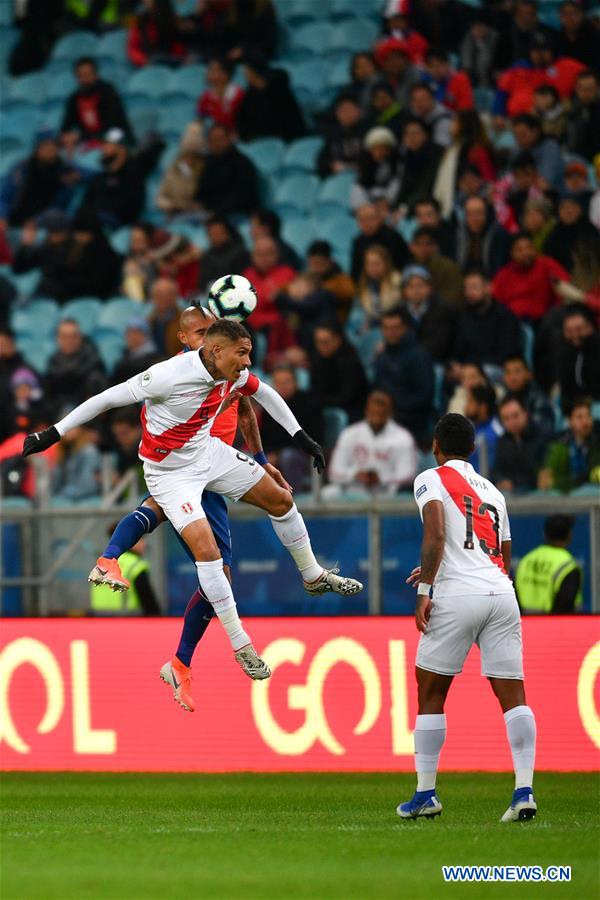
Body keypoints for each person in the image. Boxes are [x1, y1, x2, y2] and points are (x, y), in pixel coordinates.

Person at [23, 318, 362, 700]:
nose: (248, 361)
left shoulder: (233, 372)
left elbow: (264, 394)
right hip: (170, 474)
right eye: (243, 353)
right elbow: (106, 399)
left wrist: (302, 437)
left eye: (249, 352)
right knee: (209, 553)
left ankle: (312, 575)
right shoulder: (167, 376)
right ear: (217, 351)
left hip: (207, 454)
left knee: (282, 499)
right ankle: (240, 643)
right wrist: (54, 433)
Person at [399, 413, 537, 823]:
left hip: (457, 596)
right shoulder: (494, 491)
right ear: (474, 450)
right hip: (501, 593)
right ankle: (524, 790)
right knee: (513, 694)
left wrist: (426, 589)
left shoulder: (430, 477)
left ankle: (425, 794)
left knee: (430, 691)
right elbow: (502, 551)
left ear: (435, 445)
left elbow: (437, 533)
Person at [327, 390, 417, 497]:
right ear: (366, 411)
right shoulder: (350, 434)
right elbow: (334, 472)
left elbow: (408, 476)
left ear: (390, 413)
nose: (377, 418)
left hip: (388, 495)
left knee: (406, 496)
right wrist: (355, 474)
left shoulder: (403, 437)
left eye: (381, 413)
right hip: (353, 492)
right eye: (373, 412)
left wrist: (381, 478)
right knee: (328, 493)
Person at [258, 364, 323, 493]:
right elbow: (264, 439)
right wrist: (269, 455)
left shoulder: (310, 403)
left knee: (288, 456)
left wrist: (278, 453)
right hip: (277, 453)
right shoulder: (269, 406)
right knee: (258, 459)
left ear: (296, 382)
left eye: (286, 382)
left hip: (305, 455)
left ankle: (292, 497)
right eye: (278, 382)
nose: (283, 386)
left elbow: (315, 437)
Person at [80, 128, 165, 228]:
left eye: (107, 145)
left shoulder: (134, 173)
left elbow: (131, 207)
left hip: (116, 224)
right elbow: (86, 203)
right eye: (103, 144)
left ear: (122, 149)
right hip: (92, 222)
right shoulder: (99, 177)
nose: (102, 149)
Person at [373, 307, 435, 443]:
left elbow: (425, 395)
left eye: (395, 328)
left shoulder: (419, 356)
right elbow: (376, 387)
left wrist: (394, 409)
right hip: (384, 416)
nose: (390, 333)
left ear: (405, 328)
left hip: (411, 420)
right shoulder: (382, 356)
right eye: (386, 328)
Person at [0, 131, 84, 227]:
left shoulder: (65, 171)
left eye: (54, 144)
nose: (50, 148)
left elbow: (59, 207)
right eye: (45, 145)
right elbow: (4, 197)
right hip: (12, 220)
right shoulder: (22, 167)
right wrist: (2, 216)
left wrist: (37, 221)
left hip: (44, 226)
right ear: (37, 147)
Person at [491, 233, 569, 323]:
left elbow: (564, 289)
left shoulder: (547, 265)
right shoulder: (503, 275)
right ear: (512, 254)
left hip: (545, 321)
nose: (525, 253)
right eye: (519, 250)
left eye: (529, 248)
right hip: (513, 323)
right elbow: (495, 304)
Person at [454, 270, 521, 372]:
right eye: (466, 288)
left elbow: (507, 354)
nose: (469, 293)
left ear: (489, 288)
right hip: (467, 369)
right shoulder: (463, 315)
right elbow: (458, 350)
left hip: (496, 367)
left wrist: (476, 367)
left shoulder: (505, 316)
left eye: (474, 288)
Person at [61, 57, 134, 149]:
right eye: (81, 75)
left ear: (95, 74)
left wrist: (81, 136)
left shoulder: (108, 91)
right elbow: (65, 125)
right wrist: (67, 136)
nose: (85, 78)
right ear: (76, 77)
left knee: (111, 143)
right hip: (88, 138)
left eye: (88, 74)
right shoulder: (74, 98)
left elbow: (113, 124)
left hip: (116, 133)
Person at [515, 515, 583, 614]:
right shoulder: (568, 566)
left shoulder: (526, 560)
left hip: (524, 625)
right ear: (569, 536)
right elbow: (564, 606)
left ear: (545, 534)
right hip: (553, 626)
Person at [236, 50, 305, 143]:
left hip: (284, 139)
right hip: (257, 140)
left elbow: (286, 120)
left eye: (246, 69)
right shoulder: (250, 93)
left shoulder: (278, 89)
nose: (244, 73)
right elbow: (242, 120)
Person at [195, 125, 259, 219]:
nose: (216, 143)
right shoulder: (208, 162)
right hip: (209, 212)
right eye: (212, 140)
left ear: (230, 139)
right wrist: (197, 203)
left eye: (220, 139)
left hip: (235, 214)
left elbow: (242, 196)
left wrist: (217, 212)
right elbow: (202, 190)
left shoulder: (242, 163)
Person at [310, 322, 369, 423]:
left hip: (354, 411)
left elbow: (347, 397)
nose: (320, 347)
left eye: (325, 342)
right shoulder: (318, 358)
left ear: (337, 340)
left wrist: (320, 400)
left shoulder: (350, 361)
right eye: (317, 342)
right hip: (326, 406)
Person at [90, 529, 160, 616]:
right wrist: (157, 616)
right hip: (126, 619)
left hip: (98, 618)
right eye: (141, 539)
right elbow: (148, 599)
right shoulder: (135, 564)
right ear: (130, 541)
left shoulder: (103, 562)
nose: (145, 544)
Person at [243, 236, 296, 348]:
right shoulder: (247, 274)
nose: (264, 258)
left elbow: (278, 301)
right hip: (248, 324)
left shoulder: (287, 273)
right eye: (259, 254)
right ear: (252, 256)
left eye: (269, 254)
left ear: (276, 255)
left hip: (274, 327)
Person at [538, 398, 600, 493]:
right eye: (579, 417)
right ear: (570, 421)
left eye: (588, 416)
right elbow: (546, 482)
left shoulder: (597, 444)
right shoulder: (559, 446)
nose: (585, 421)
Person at [45, 319, 106, 415]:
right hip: (57, 415)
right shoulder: (53, 362)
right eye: (64, 336)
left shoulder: (93, 362)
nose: (69, 341)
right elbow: (49, 397)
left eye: (73, 336)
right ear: (58, 338)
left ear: (80, 337)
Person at [401, 265, 457, 364]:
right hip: (406, 362)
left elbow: (439, 345)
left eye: (420, 285)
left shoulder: (443, 311)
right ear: (404, 291)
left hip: (435, 361)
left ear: (429, 288)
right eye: (411, 286)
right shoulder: (398, 312)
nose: (416, 291)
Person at [492, 396, 545, 493]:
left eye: (516, 416)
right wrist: (501, 480)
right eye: (506, 418)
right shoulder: (503, 441)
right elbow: (495, 472)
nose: (512, 422)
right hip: (512, 496)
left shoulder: (542, 436)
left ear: (525, 414)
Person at [155, 123, 205, 218]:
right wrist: (169, 205)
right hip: (175, 213)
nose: (190, 159)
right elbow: (160, 197)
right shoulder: (173, 170)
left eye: (194, 156)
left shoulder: (205, 171)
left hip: (197, 214)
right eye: (186, 155)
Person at [452, 196, 509, 278]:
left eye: (479, 213)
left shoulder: (499, 235)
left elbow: (499, 267)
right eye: (470, 214)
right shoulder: (458, 234)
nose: (475, 218)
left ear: (486, 214)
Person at [396, 118, 445, 212]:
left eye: (415, 133)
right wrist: (395, 207)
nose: (411, 138)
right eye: (407, 134)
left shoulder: (436, 154)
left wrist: (404, 209)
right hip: (413, 204)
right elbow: (404, 185)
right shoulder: (408, 155)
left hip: (434, 202)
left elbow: (426, 185)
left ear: (425, 135)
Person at [350, 203, 410, 281]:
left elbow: (403, 262)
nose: (367, 223)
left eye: (370, 218)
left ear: (379, 218)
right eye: (362, 220)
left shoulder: (392, 236)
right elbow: (356, 270)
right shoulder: (358, 242)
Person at [544, 194, 600, 275]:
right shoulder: (553, 235)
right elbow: (549, 261)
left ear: (580, 210)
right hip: (561, 278)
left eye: (572, 207)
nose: (568, 211)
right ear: (559, 211)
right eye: (564, 208)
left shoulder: (590, 231)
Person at [501, 355, 555, 439]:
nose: (512, 377)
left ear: (529, 374)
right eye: (508, 372)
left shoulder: (539, 398)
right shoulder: (505, 399)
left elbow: (544, 430)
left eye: (517, 371)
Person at [408, 227, 463, 308]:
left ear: (435, 246)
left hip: (443, 313)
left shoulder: (448, 267)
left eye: (428, 244)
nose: (423, 248)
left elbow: (454, 296)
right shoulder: (408, 268)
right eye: (419, 244)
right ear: (411, 247)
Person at [350, 127, 400, 213]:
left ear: (388, 150)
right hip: (368, 200)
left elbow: (395, 184)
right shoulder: (364, 164)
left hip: (387, 200)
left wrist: (386, 201)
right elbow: (361, 185)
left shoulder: (395, 164)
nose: (379, 152)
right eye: (375, 148)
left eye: (382, 148)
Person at [305, 241, 355, 325]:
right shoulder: (309, 277)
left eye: (318, 263)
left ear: (329, 260)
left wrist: (317, 290)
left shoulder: (341, 280)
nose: (315, 267)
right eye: (312, 263)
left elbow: (348, 291)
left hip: (334, 327)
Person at [556, 308, 600, 405]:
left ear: (589, 327)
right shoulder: (563, 352)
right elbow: (565, 387)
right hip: (574, 407)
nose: (575, 335)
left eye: (579, 329)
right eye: (569, 331)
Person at [317, 94, 365, 178]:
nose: (345, 114)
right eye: (341, 111)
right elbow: (321, 161)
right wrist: (331, 166)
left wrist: (349, 168)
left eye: (348, 109)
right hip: (341, 180)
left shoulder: (369, 131)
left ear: (359, 111)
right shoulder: (333, 136)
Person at [510, 115, 563, 189]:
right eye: (516, 137)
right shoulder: (518, 149)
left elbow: (545, 183)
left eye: (523, 135)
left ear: (535, 131)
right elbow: (509, 176)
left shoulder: (550, 148)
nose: (519, 141)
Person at [127, 0, 186, 68]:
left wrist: (174, 60)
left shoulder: (173, 20)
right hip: (147, 65)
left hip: (170, 64)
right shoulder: (140, 21)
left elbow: (179, 47)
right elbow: (132, 48)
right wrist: (144, 61)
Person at [51, 425, 101, 501]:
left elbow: (87, 485)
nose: (66, 431)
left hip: (87, 500)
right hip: (67, 498)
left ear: (80, 429)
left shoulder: (89, 451)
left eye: (71, 426)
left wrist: (60, 495)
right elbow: (55, 484)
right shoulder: (64, 451)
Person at [198, 217, 249, 291]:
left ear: (227, 233)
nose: (215, 236)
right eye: (212, 233)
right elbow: (202, 283)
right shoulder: (207, 256)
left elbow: (242, 278)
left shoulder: (239, 252)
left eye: (218, 233)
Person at [357, 245, 402, 325]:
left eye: (377, 264)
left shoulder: (397, 282)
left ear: (386, 264)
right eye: (369, 264)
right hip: (371, 326)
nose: (373, 268)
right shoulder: (364, 285)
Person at [197, 57, 244, 132]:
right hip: (215, 137)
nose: (207, 72)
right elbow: (200, 119)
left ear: (225, 75)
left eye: (212, 70)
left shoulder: (239, 95)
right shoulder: (206, 96)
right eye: (209, 69)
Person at [465, 383, 503, 477]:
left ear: (483, 407)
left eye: (470, 402)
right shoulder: (471, 428)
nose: (466, 407)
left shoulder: (496, 432)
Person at [420, 47, 474, 111]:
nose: (436, 70)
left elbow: (466, 109)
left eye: (440, 65)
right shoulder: (424, 81)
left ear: (448, 64)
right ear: (427, 68)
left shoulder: (461, 80)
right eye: (432, 66)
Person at [112, 319, 163, 385]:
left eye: (136, 333)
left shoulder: (154, 360)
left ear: (145, 335)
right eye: (129, 332)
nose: (131, 337)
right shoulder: (124, 358)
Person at [566, 70, 600, 162]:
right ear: (576, 89)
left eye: (589, 88)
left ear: (597, 88)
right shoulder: (572, 110)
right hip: (576, 159)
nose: (585, 93)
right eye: (581, 88)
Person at [408, 83, 452, 147]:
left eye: (423, 99)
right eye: (415, 100)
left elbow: (442, 148)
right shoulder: (413, 115)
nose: (420, 103)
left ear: (432, 98)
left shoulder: (444, 121)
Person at [148, 277, 181, 357]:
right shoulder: (148, 321)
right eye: (159, 295)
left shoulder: (185, 321)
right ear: (152, 297)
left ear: (175, 296)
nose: (164, 299)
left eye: (168, 294)